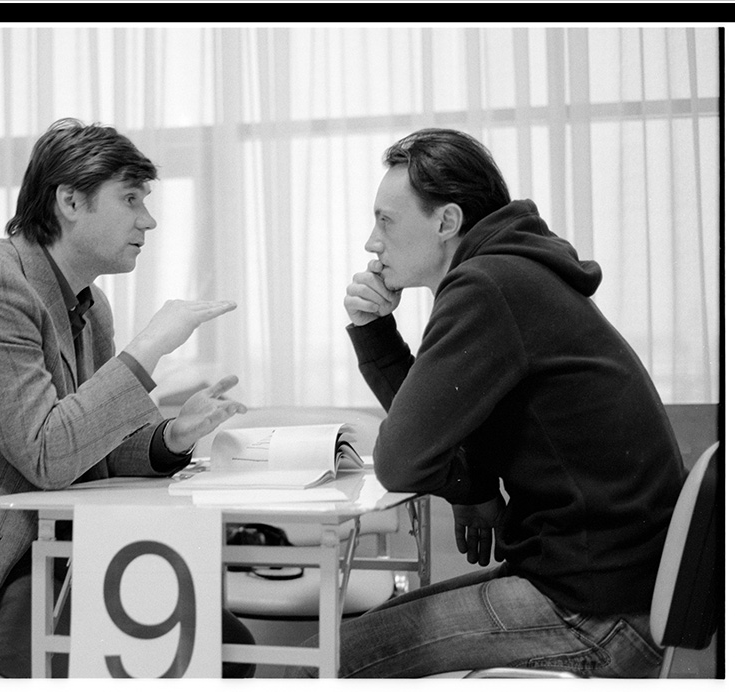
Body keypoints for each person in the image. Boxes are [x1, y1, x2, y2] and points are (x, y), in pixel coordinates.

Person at [0, 118, 256, 678]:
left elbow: (90, 447)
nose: (148, 220)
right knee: (184, 661)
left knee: (226, 650)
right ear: (70, 201)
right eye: (130, 199)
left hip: (49, 551)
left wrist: (171, 437)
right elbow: (49, 454)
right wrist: (149, 347)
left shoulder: (90, 305)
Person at [291, 128, 685, 678]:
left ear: (446, 222)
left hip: (593, 614)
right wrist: (374, 329)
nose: (371, 243)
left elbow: (403, 458)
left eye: (386, 221)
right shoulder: (511, 271)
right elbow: (438, 429)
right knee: (335, 648)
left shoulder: (487, 286)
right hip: (611, 592)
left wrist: (470, 489)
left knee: (311, 666)